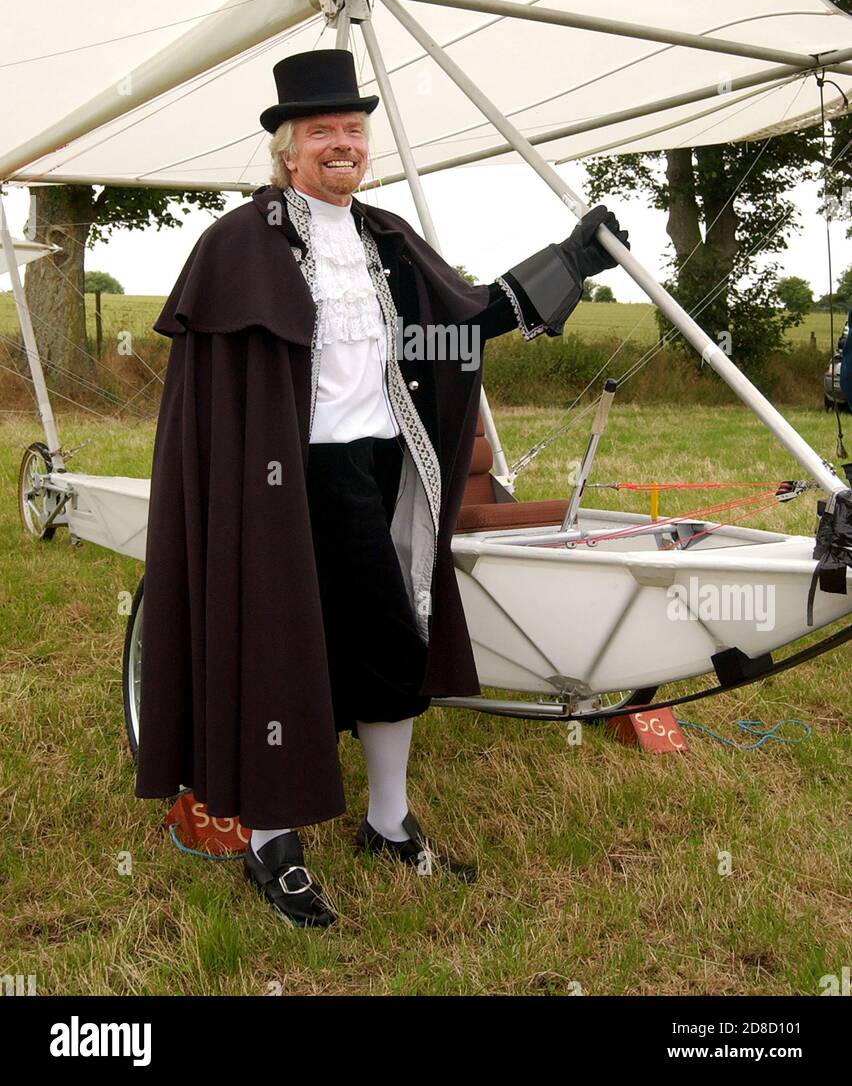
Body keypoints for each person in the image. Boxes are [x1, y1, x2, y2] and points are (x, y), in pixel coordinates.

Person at [134, 48, 629, 928]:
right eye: (321, 131)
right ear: (287, 150)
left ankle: (388, 822)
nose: (341, 145)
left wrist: (570, 260)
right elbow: (213, 398)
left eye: (353, 131)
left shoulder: (385, 240)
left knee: (390, 646)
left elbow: (465, 321)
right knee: (279, 651)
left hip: (373, 475)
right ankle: (271, 842)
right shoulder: (236, 247)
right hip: (274, 481)